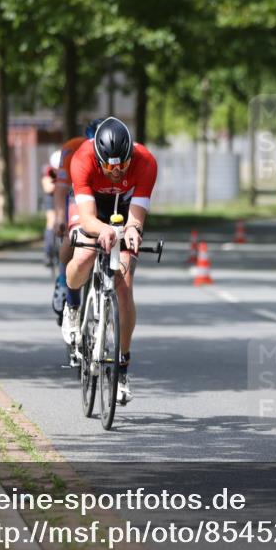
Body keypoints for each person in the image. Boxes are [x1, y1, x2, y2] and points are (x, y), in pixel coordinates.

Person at [60, 117, 157, 405]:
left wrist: (131, 233)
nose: (116, 172)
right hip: (93, 207)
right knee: (85, 255)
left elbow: (136, 219)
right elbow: (88, 217)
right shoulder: (82, 159)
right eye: (110, 167)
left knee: (124, 285)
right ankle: (73, 303)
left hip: (125, 208)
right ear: (99, 158)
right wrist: (102, 230)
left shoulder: (146, 162)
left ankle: (122, 367)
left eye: (122, 166)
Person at [50, 125, 96, 324]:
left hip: (103, 197)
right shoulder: (73, 149)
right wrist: (60, 218)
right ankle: (63, 281)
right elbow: (61, 189)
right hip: (77, 195)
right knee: (72, 239)